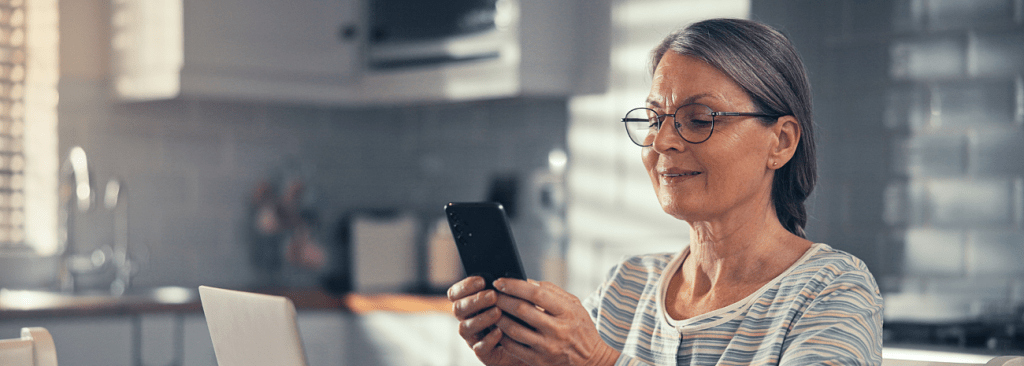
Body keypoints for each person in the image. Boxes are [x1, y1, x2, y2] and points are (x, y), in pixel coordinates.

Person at [448, 18, 883, 365]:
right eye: (656, 119)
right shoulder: (628, 286)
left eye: (699, 119)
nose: (663, 141)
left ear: (781, 142)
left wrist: (599, 362)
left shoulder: (832, 291)